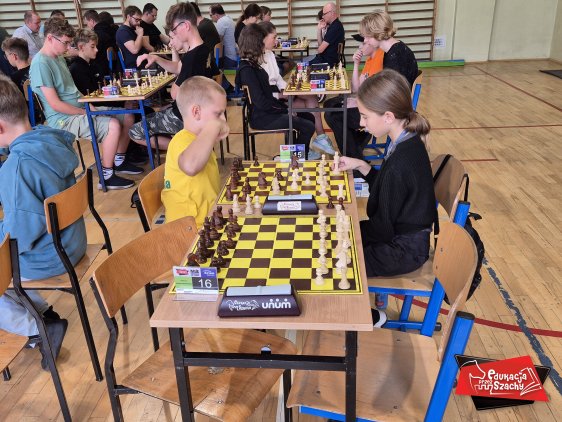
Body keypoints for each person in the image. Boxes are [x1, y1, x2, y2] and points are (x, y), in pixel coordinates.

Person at [0, 75, 87, 368]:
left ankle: (38, 329)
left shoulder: (16, 168)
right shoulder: (51, 139)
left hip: (51, 257)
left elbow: (18, 237)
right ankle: (43, 313)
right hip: (71, 242)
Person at [337, 68, 435, 285]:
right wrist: (362, 165)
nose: (361, 123)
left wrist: (349, 236)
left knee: (338, 261)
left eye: (365, 116)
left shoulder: (400, 162)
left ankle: (362, 309)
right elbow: (388, 191)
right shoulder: (406, 140)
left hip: (404, 250)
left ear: (388, 117)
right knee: (339, 235)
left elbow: (382, 227)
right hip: (398, 236)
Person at [30, 17, 141, 190]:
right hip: (63, 119)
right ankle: (106, 176)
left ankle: (118, 161)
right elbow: (55, 104)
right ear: (50, 38)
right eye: (66, 43)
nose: (68, 47)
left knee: (127, 115)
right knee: (112, 125)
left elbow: (74, 91)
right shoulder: (40, 64)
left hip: (79, 108)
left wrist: (88, 104)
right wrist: (85, 112)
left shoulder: (58, 58)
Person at [130, 2, 218, 150]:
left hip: (183, 117)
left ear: (185, 25)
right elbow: (178, 67)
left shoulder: (192, 59)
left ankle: (185, 148)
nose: (174, 34)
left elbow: (175, 94)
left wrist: (178, 77)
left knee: (134, 131)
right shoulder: (202, 49)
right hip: (199, 112)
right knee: (153, 114)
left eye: (175, 30)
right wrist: (156, 58)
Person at [236, 24, 315, 157]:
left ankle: (291, 156)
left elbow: (267, 98)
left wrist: (285, 109)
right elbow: (261, 102)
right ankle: (294, 159)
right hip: (262, 117)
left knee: (309, 118)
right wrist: (285, 110)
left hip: (268, 112)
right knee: (307, 126)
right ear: (256, 43)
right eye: (262, 40)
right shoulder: (247, 70)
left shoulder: (254, 65)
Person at [259, 21, 334, 159]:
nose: (276, 41)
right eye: (274, 37)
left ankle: (316, 140)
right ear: (263, 37)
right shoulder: (258, 60)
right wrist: (283, 95)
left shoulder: (269, 53)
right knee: (309, 105)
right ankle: (311, 144)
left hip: (281, 96)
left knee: (311, 99)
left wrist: (287, 90)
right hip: (272, 103)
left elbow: (278, 79)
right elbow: (263, 92)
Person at [162, 76, 228, 226]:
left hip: (208, 218)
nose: (223, 120)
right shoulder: (181, 141)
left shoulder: (200, 140)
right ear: (196, 112)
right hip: (190, 229)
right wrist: (214, 126)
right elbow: (190, 166)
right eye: (218, 114)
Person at [325, 32, 385, 159]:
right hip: (366, 102)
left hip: (374, 109)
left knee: (333, 115)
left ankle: (352, 155)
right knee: (329, 104)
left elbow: (378, 95)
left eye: (363, 43)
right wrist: (356, 64)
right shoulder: (370, 60)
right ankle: (356, 142)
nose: (360, 47)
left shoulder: (380, 58)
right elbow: (356, 88)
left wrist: (357, 101)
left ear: (372, 43)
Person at [360, 11, 418, 86]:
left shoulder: (395, 56)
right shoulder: (397, 48)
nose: (365, 40)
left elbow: (392, 90)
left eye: (367, 36)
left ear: (377, 33)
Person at [308, 2, 344, 67]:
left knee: (301, 66)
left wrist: (319, 48)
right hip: (324, 59)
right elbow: (320, 45)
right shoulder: (333, 25)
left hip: (327, 62)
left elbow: (320, 50)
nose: (322, 16)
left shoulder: (335, 27)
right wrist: (319, 29)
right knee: (303, 64)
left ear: (331, 13)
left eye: (324, 14)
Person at [84, 10, 118, 76]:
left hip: (102, 68)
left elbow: (91, 54)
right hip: (114, 66)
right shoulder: (111, 30)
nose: (87, 26)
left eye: (87, 23)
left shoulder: (96, 35)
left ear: (91, 21)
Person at [209, 4, 237, 69]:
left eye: (211, 15)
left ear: (216, 15)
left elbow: (217, 39)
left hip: (229, 57)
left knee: (228, 75)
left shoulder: (221, 21)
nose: (211, 18)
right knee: (231, 74)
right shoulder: (228, 18)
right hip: (233, 54)